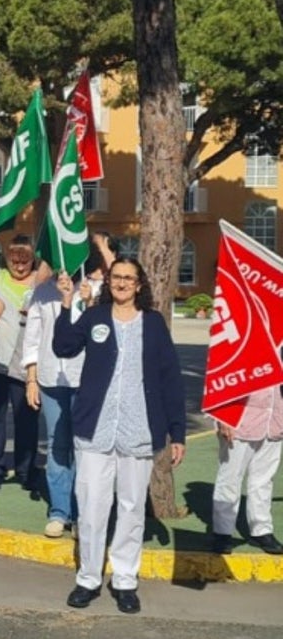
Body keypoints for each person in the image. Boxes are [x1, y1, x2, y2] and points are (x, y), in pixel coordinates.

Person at [52, 256, 186, 614]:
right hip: (94, 428)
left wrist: (178, 432)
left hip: (139, 430)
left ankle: (125, 580)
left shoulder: (154, 324)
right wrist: (67, 304)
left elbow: (170, 379)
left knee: (130, 508)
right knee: (93, 506)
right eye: (116, 277)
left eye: (129, 278)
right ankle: (88, 578)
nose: (122, 283)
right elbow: (63, 347)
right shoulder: (95, 317)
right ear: (108, 282)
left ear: (139, 284)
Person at [22, 250, 100, 538]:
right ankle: (59, 511)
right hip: (50, 378)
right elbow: (32, 339)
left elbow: (100, 332)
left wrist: (89, 301)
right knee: (57, 443)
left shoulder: (93, 290)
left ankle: (83, 512)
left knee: (83, 445)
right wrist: (31, 378)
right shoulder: (41, 293)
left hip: (85, 379)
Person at [0, 235, 39, 491]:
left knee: (27, 418)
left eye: (25, 260)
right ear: (6, 258)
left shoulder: (41, 281)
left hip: (26, 365)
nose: (20, 265)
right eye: (15, 259)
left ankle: (26, 469)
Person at [210, 383, 283, 555]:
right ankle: (222, 532)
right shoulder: (238, 353)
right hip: (240, 421)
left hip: (275, 421)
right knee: (230, 478)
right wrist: (223, 417)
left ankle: (262, 530)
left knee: (264, 480)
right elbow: (220, 379)